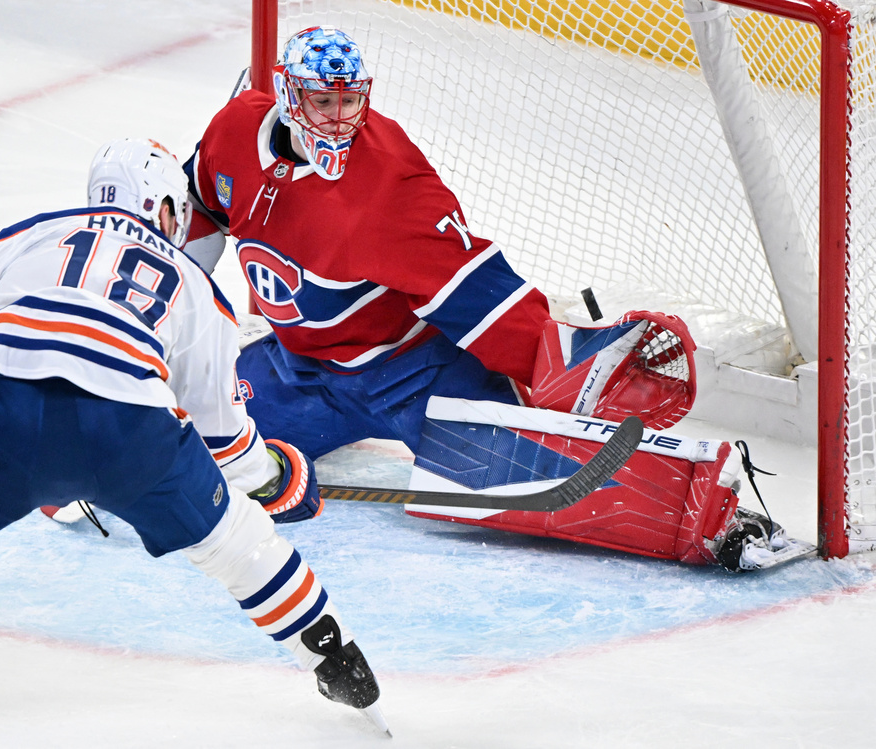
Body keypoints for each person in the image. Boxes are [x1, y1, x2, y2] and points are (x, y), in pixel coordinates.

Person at [180, 26, 791, 570]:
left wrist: (555, 358)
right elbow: (199, 207)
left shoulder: (388, 189)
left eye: (349, 100)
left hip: (411, 372)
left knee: (527, 481)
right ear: (288, 93)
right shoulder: (235, 130)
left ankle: (713, 514)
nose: (339, 117)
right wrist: (174, 323)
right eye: (322, 100)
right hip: (299, 369)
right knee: (187, 434)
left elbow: (476, 291)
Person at [0, 138, 385, 724]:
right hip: (131, 436)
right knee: (239, 545)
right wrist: (276, 480)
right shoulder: (194, 282)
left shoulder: (31, 233)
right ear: (163, 207)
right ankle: (340, 666)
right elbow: (224, 438)